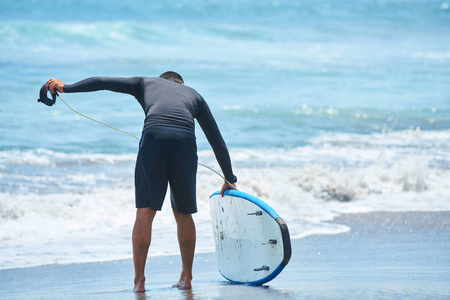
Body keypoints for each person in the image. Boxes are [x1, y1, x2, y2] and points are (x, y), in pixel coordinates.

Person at [46, 72, 237, 292]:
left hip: (154, 137)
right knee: (184, 214)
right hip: (185, 142)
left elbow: (103, 82)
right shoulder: (194, 95)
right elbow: (217, 141)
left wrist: (66, 88)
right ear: (182, 84)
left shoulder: (145, 83)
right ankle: (187, 280)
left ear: (162, 80)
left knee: (144, 212)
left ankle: (139, 282)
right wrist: (229, 179)